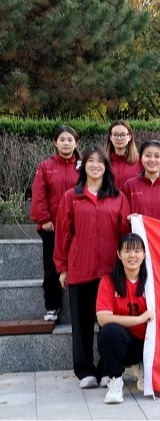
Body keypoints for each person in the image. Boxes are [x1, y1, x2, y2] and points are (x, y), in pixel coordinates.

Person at [54, 146, 130, 389]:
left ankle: (108, 369)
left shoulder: (118, 197)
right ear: (83, 165)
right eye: (91, 161)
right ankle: (85, 371)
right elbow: (63, 234)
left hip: (110, 271)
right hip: (80, 269)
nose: (95, 165)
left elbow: (125, 233)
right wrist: (62, 267)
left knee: (110, 323)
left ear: (107, 167)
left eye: (100, 161)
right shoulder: (71, 197)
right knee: (82, 323)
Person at [30, 126, 81, 322]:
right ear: (55, 143)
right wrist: (43, 219)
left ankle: (86, 306)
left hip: (78, 225)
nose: (66, 143)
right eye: (62, 140)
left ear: (76, 143)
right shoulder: (46, 167)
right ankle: (52, 306)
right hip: (52, 226)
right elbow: (39, 194)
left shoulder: (83, 166)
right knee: (51, 267)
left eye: (70, 140)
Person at [96, 233, 153, 404]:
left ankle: (145, 367)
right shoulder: (108, 282)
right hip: (124, 345)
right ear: (119, 254)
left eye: (137, 251)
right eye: (127, 251)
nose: (132, 255)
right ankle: (115, 381)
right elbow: (103, 318)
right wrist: (140, 319)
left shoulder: (152, 282)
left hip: (149, 344)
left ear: (144, 254)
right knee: (109, 331)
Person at [122, 140, 160, 223]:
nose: (152, 160)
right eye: (148, 155)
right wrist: (127, 220)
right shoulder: (130, 186)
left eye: (157, 156)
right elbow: (122, 217)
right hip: (137, 231)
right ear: (141, 158)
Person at [104, 120, 141, 190]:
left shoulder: (140, 161)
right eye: (115, 135)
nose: (119, 138)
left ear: (129, 137)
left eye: (123, 135)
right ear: (110, 137)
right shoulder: (103, 161)